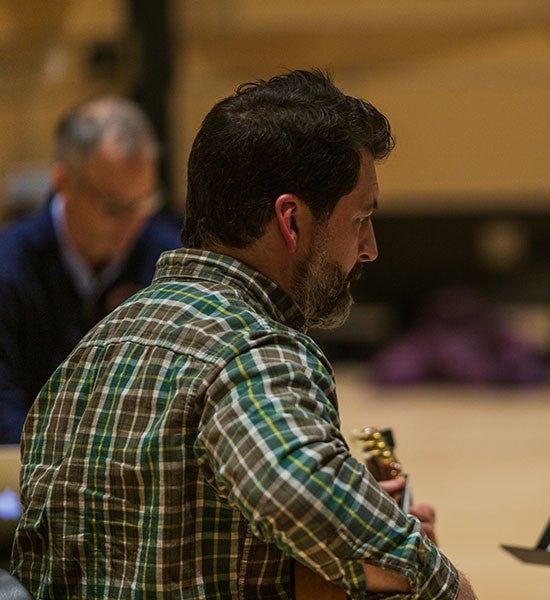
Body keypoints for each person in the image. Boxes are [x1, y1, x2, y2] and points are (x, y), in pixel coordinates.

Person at [12, 69, 477, 600]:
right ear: (292, 220)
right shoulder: (254, 351)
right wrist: (439, 579)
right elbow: (298, 493)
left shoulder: (93, 350)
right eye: (360, 220)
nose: (370, 248)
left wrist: (358, 512)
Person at [0, 96, 181, 443]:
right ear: (62, 182)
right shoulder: (9, 268)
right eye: (113, 207)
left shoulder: (168, 261)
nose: (132, 223)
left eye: (143, 203)